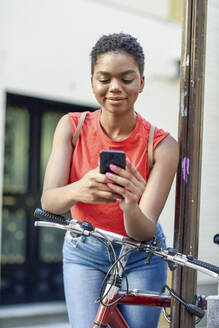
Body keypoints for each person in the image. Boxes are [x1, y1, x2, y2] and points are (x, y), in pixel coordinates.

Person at [41, 33, 179, 328]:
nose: (115, 87)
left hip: (141, 255)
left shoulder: (162, 146)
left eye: (126, 79)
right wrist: (80, 189)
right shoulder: (71, 127)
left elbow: (143, 230)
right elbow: (49, 201)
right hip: (84, 252)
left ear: (142, 82)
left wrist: (130, 204)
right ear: (92, 81)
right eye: (105, 79)